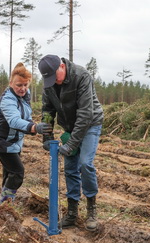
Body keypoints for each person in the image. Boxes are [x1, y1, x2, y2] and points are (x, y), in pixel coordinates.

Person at [38, 54, 104, 232]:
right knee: (70, 169)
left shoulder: (81, 76)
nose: (54, 82)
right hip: (69, 126)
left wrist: (71, 144)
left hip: (90, 124)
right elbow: (48, 112)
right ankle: (73, 213)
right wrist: (47, 137)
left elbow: (85, 114)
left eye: (54, 77)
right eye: (49, 79)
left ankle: (91, 210)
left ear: (61, 66)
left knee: (85, 164)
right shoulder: (50, 84)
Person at [0, 63, 52, 204]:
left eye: (25, 85)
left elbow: (25, 115)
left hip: (15, 140)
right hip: (2, 140)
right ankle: (5, 201)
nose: (23, 89)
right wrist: (34, 127)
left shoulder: (25, 96)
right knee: (17, 173)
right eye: (19, 85)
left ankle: (6, 200)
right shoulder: (7, 100)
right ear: (11, 83)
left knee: (9, 172)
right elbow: (14, 121)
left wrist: (31, 125)